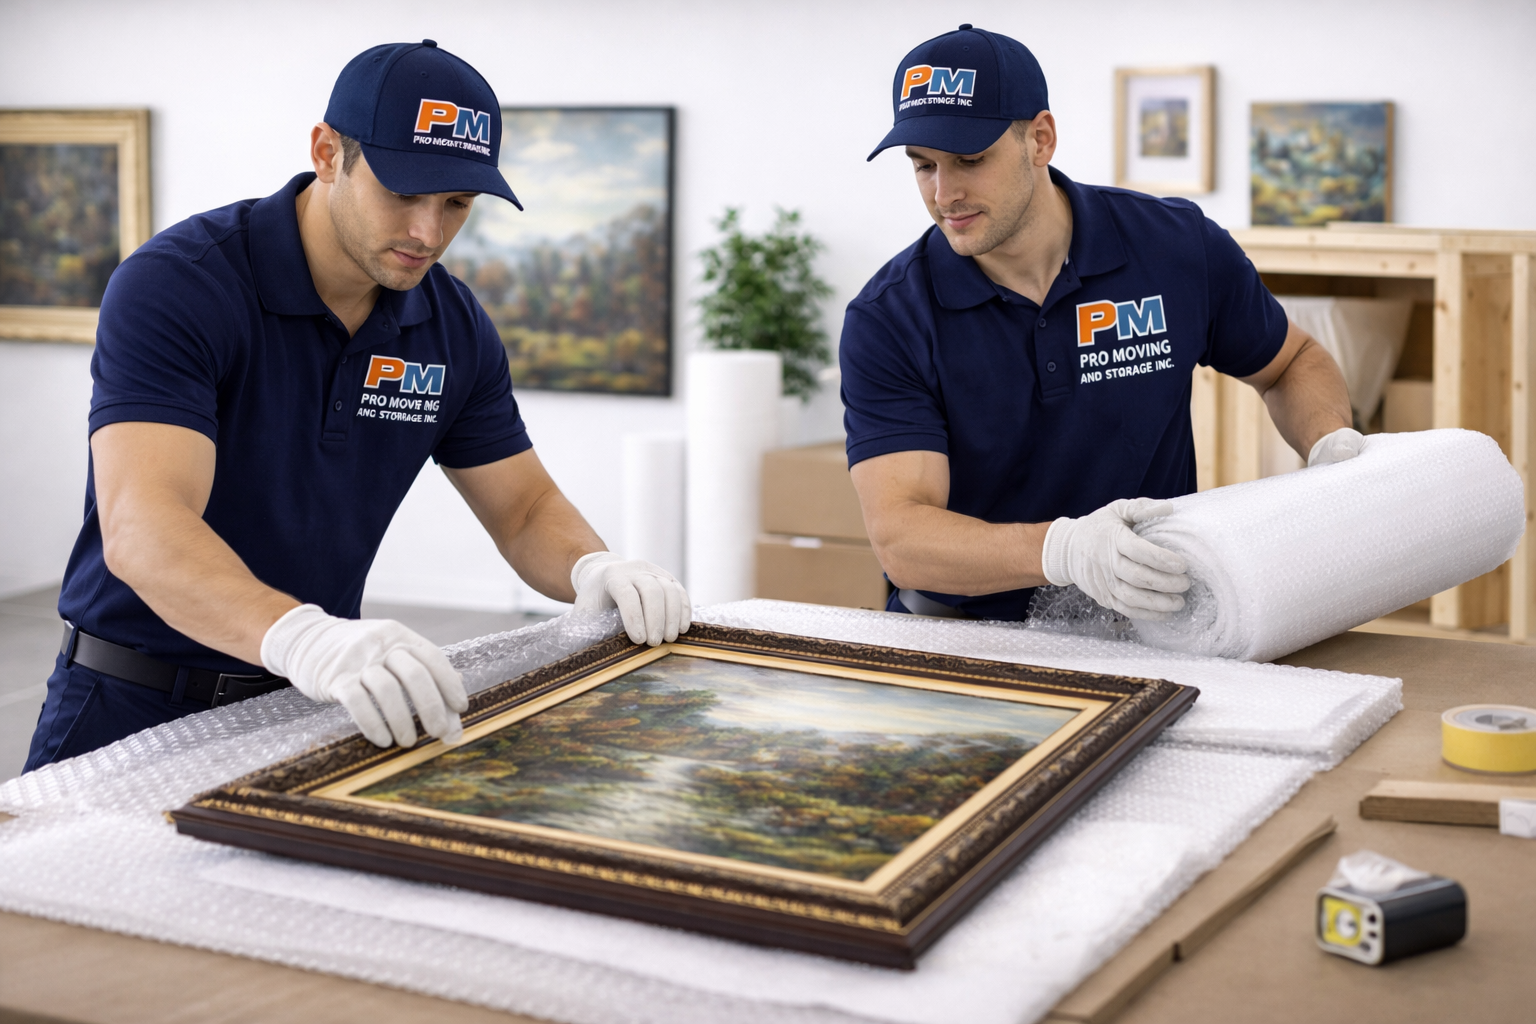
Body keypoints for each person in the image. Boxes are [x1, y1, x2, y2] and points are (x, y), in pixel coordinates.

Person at [25, 40, 689, 772]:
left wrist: (594, 568)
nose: (427, 233)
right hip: (129, 700)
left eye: (457, 203)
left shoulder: (452, 326)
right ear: (327, 151)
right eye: (404, 192)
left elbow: (524, 508)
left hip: (311, 702)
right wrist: (304, 636)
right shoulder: (180, 286)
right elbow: (144, 526)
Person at [843, 25, 1361, 623]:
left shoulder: (1175, 248)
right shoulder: (888, 318)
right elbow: (903, 537)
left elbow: (1289, 363)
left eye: (969, 159)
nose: (945, 193)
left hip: (1159, 618)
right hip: (966, 636)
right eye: (922, 165)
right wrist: (1062, 549)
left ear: (1039, 139)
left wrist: (1330, 447)